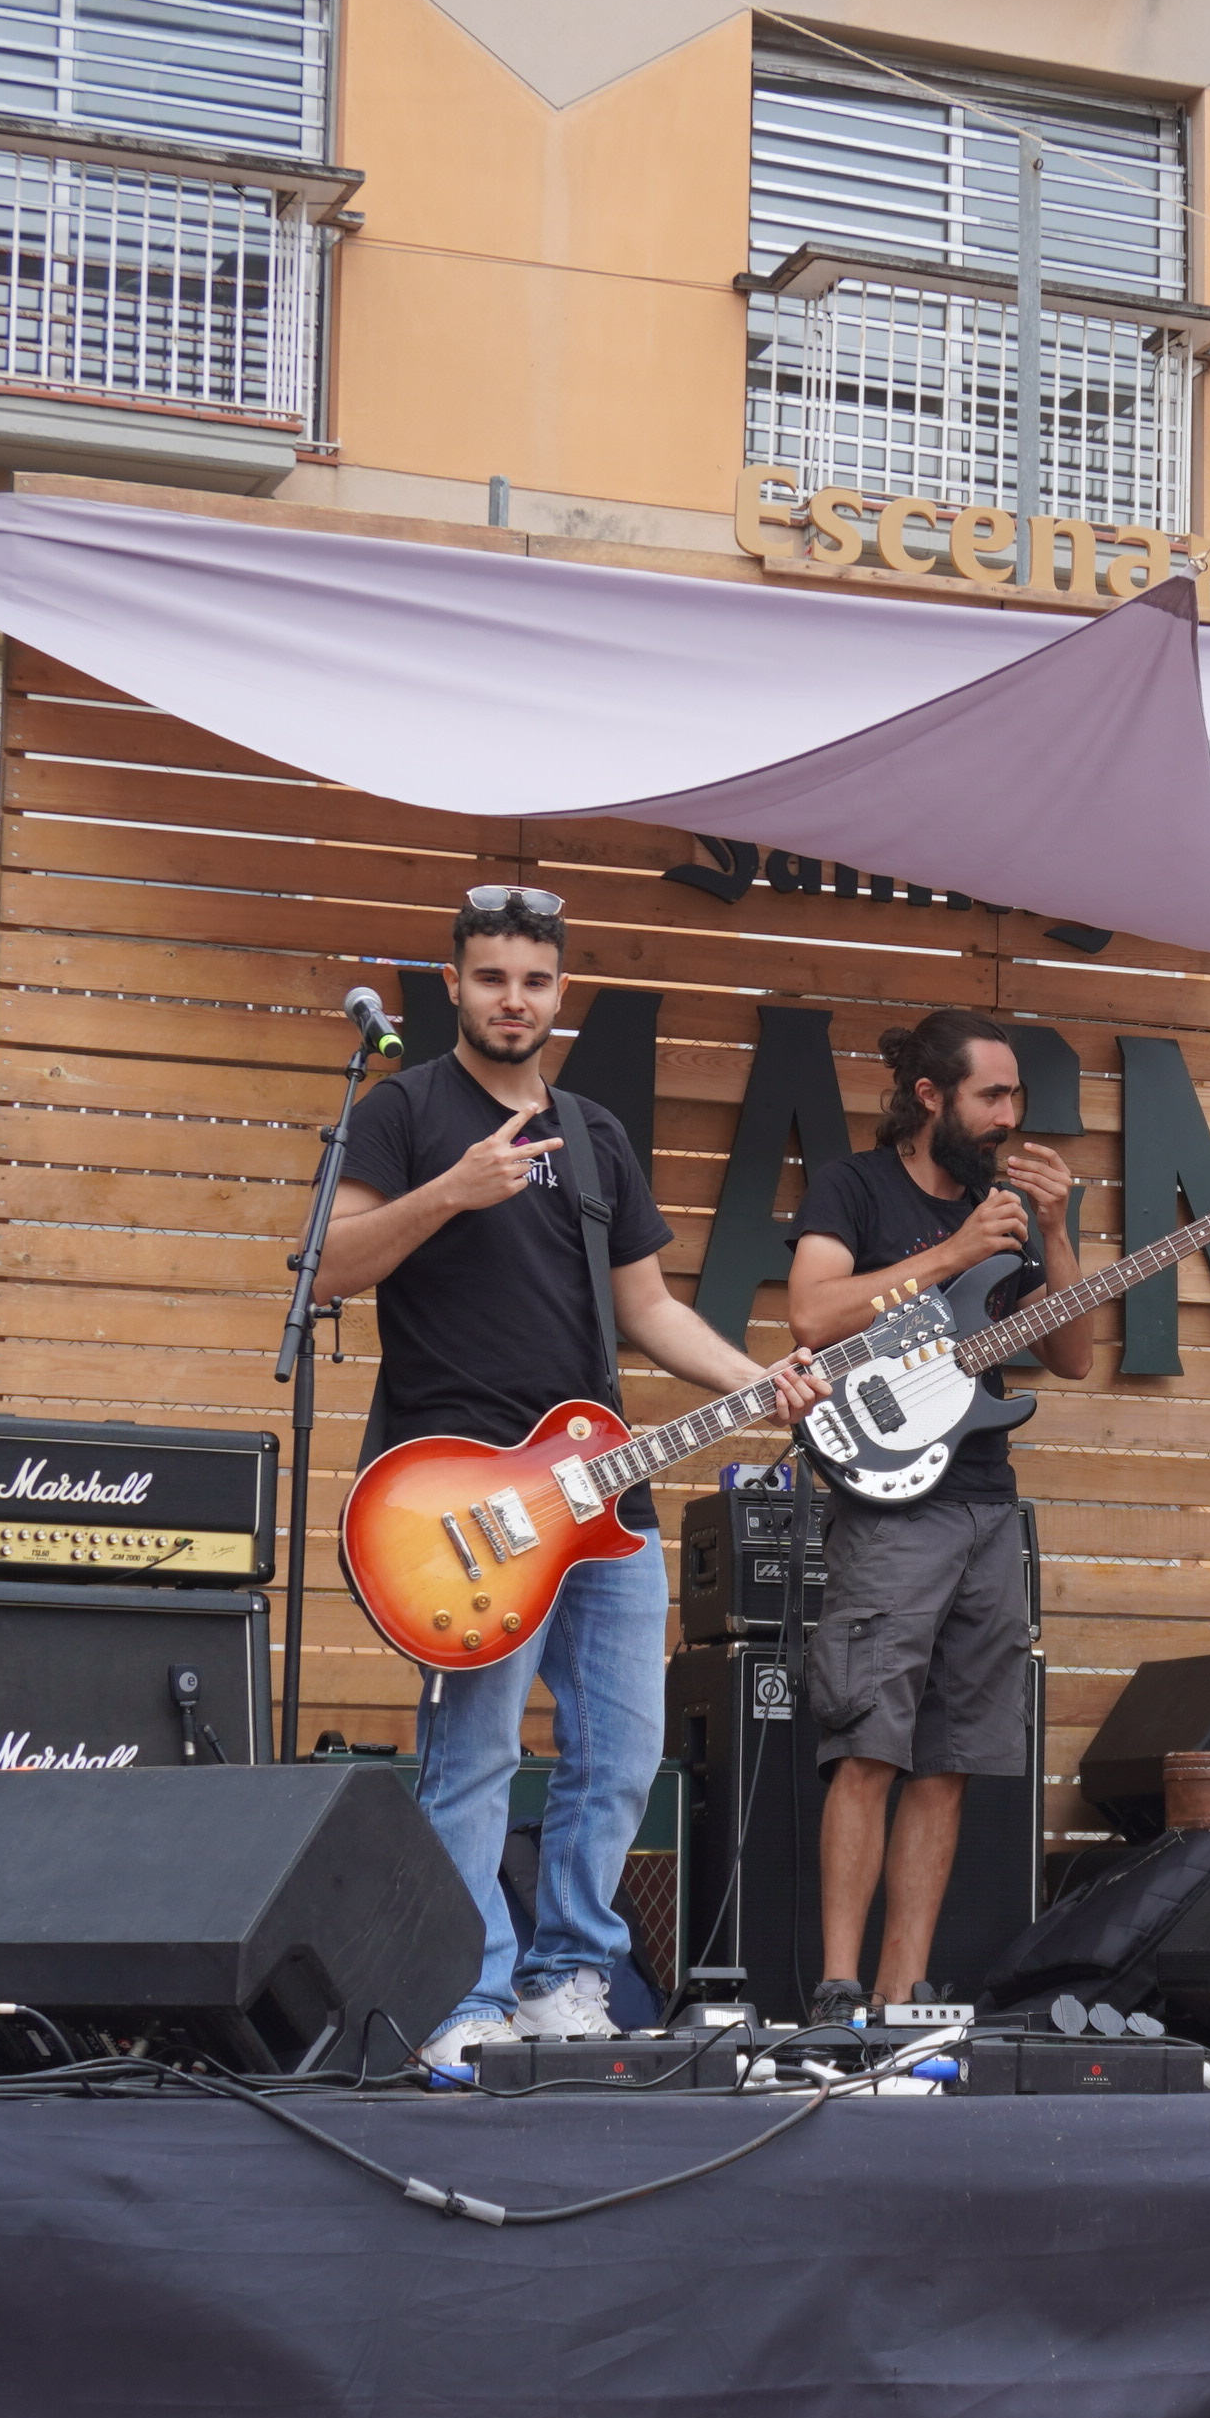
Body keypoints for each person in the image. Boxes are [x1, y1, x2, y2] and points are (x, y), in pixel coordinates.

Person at [317, 885, 823, 2073]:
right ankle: (462, 1995)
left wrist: (759, 1380)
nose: (515, 1000)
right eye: (493, 978)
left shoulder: (594, 1136)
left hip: (604, 1495)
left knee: (621, 1756)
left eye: (536, 982)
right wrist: (451, 1192)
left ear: (560, 994)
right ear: (455, 986)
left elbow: (647, 1308)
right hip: (461, 1495)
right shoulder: (403, 1110)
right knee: (475, 1757)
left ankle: (567, 1982)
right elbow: (328, 1265)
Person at [784, 1010, 1093, 2026]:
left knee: (952, 1760)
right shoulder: (855, 1188)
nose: (1009, 1117)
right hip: (890, 1509)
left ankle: (901, 1996)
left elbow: (1072, 1355)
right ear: (930, 1098)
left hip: (985, 1503)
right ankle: (837, 1991)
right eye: (991, 1096)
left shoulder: (1010, 1210)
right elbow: (812, 1314)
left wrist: (1055, 1232)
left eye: (1016, 1097)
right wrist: (953, 1251)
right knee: (869, 1747)